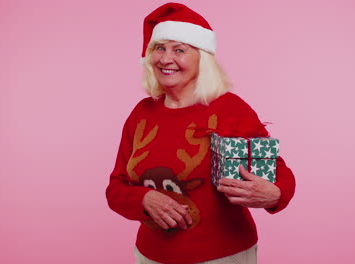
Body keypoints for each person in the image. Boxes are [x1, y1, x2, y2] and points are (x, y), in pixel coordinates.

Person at [106, 3, 296, 264]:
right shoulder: (142, 113)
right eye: (159, 47)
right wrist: (144, 198)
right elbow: (115, 187)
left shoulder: (230, 109)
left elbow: (279, 173)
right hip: (151, 256)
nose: (165, 58)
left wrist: (276, 194)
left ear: (202, 58)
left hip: (222, 256)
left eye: (179, 50)